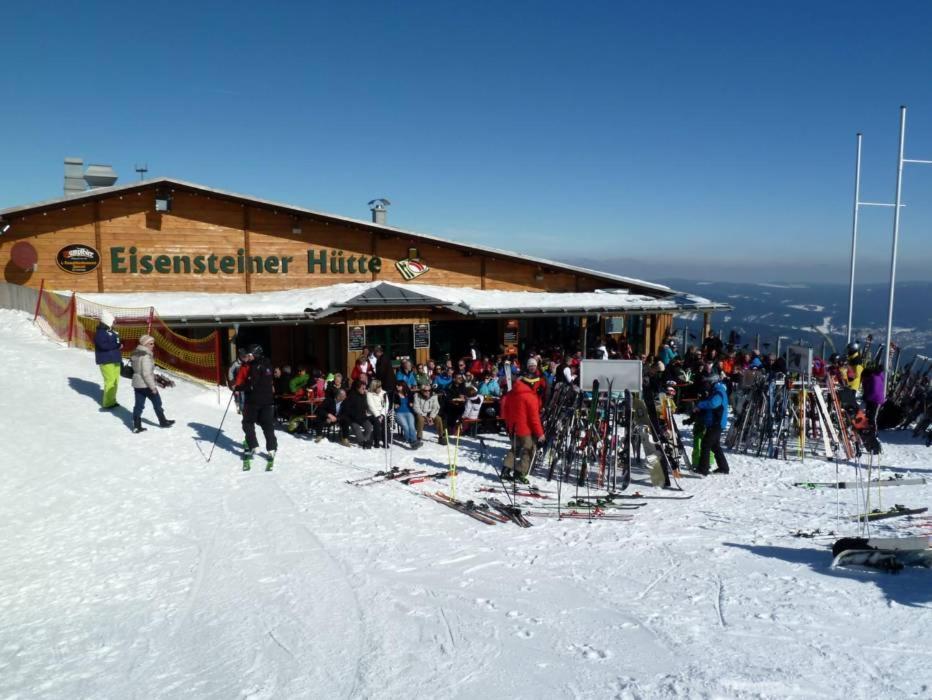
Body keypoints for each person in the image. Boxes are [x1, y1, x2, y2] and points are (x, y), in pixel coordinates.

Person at [236, 344, 278, 463]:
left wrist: (239, 388)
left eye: (249, 355)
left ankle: (254, 445)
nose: (248, 357)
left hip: (254, 401)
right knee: (267, 425)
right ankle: (272, 449)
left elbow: (252, 385)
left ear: (254, 354)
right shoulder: (267, 364)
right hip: (268, 401)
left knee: (247, 423)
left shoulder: (254, 366)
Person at [500, 376, 545, 484]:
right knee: (529, 449)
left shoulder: (511, 393)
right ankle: (520, 472)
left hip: (513, 427)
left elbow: (505, 410)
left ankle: (505, 471)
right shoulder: (529, 396)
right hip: (525, 429)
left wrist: (509, 426)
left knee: (514, 449)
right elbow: (534, 418)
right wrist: (540, 434)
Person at [129, 334, 174, 433]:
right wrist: (153, 387)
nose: (153, 345)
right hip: (146, 384)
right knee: (157, 403)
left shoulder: (136, 353)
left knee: (138, 405)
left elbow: (137, 370)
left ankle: (136, 425)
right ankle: (163, 421)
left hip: (137, 384)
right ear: (145, 344)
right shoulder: (145, 355)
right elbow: (146, 373)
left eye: (153, 343)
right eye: (151, 343)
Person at [694, 374, 730, 475]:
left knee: (706, 444)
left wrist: (700, 405)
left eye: (708, 383)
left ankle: (702, 470)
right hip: (715, 423)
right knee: (715, 446)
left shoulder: (718, 391)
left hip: (716, 423)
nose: (706, 385)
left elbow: (714, 403)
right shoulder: (716, 390)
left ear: (712, 382)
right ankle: (724, 468)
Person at [94, 310, 123, 409]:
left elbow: (116, 343)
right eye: (112, 321)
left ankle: (112, 400)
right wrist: (117, 345)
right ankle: (107, 403)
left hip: (115, 359)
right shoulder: (100, 332)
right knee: (110, 380)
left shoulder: (112, 332)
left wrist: (119, 344)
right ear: (107, 321)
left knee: (115, 381)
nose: (114, 323)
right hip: (106, 360)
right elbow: (103, 345)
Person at [341, 379, 374, 447]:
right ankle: (362, 442)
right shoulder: (351, 396)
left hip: (362, 417)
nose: (364, 390)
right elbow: (346, 409)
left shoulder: (364, 396)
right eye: (362, 388)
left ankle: (365, 440)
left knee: (369, 426)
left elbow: (366, 406)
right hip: (353, 418)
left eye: (365, 388)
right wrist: (354, 415)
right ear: (357, 388)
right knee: (357, 428)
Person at [394, 381, 419, 447]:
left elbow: (413, 402)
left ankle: (413, 440)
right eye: (396, 385)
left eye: (398, 385)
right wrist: (394, 405)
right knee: (405, 426)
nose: (397, 387)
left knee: (411, 426)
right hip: (399, 413)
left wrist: (412, 403)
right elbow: (391, 404)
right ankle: (408, 439)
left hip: (409, 412)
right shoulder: (395, 394)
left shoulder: (409, 394)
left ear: (403, 386)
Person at [366, 379, 389, 449]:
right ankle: (377, 441)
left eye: (380, 386)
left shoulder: (384, 393)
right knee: (377, 423)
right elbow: (371, 406)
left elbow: (386, 404)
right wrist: (378, 416)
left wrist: (382, 414)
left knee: (385, 423)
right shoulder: (369, 394)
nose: (380, 388)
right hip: (372, 414)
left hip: (382, 413)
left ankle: (385, 441)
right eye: (378, 387)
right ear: (374, 387)